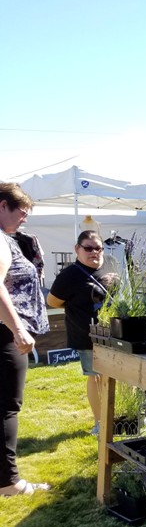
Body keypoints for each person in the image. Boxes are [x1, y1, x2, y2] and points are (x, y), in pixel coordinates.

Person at [0, 183, 50, 497]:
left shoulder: (10, 239)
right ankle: (9, 483)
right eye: (22, 212)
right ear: (3, 205)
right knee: (7, 407)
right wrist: (18, 329)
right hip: (4, 333)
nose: (24, 219)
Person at [47, 230, 116, 435]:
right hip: (86, 333)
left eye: (98, 248)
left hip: (114, 332)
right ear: (77, 249)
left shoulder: (110, 264)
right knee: (95, 375)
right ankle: (100, 422)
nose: (94, 252)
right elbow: (52, 301)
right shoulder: (69, 275)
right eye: (88, 248)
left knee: (112, 376)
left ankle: (113, 417)